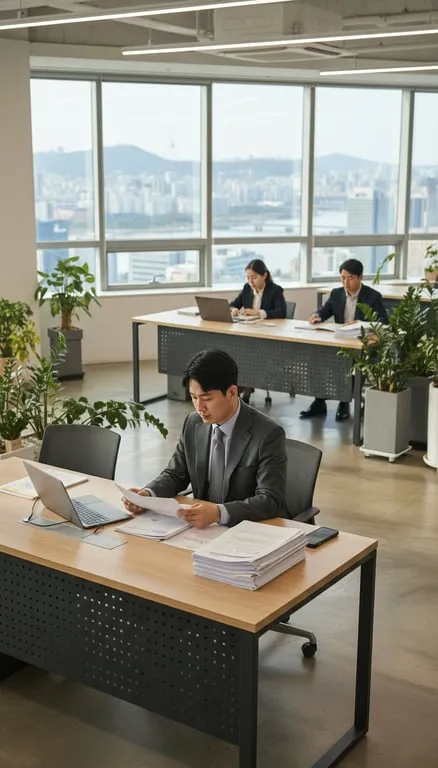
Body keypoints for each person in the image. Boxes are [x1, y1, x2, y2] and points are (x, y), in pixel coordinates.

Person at [123, 349, 287, 529]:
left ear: (232, 392)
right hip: (202, 530)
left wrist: (218, 512)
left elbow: (270, 500)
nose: (200, 407)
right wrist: (147, 495)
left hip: (245, 530)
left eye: (206, 398)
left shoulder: (268, 434)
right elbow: (176, 474)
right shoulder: (194, 423)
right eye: (194, 398)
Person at [300, 258, 388, 422]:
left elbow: (383, 321)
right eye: (343, 278)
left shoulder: (372, 296)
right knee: (315, 360)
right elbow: (324, 311)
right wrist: (317, 316)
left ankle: (344, 402)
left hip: (360, 346)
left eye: (350, 278)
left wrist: (360, 323)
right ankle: (319, 402)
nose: (346, 283)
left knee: (348, 365)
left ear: (360, 277)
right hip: (340, 342)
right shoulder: (336, 293)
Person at [230, 258, 287, 402]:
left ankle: (246, 388)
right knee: (236, 350)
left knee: (249, 353)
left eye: (254, 277)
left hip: (268, 336)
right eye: (248, 277)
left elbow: (281, 312)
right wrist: (234, 309)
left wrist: (259, 312)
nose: (251, 281)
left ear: (264, 276)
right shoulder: (247, 289)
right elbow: (233, 304)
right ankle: (241, 385)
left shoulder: (275, 290)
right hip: (249, 333)